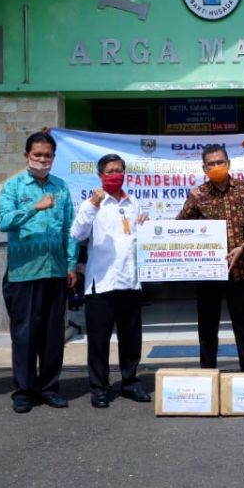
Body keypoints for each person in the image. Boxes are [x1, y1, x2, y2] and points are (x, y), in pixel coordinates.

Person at [0, 131, 79, 414]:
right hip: (24, 273)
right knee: (25, 335)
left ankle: (49, 388)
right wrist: (34, 206)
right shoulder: (13, 186)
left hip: (55, 272)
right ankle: (24, 390)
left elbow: (70, 229)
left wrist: (70, 265)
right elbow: (4, 222)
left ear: (54, 158)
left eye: (48, 156)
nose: (43, 160)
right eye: (37, 155)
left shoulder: (61, 188)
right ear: (26, 156)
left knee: (53, 335)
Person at [70, 153, 151, 409]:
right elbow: (77, 233)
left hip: (129, 281)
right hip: (101, 282)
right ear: (100, 175)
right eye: (110, 171)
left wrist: (146, 226)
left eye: (119, 170)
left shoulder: (133, 203)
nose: (115, 175)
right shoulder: (91, 203)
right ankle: (99, 387)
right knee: (99, 339)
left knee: (131, 338)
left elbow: (138, 238)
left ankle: (130, 382)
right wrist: (93, 205)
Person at [177, 143, 244, 371]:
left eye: (220, 162)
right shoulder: (197, 195)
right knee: (207, 326)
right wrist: (152, 230)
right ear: (204, 167)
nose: (216, 166)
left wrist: (243, 248)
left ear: (228, 163)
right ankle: (208, 375)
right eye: (211, 164)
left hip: (243, 269)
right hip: (208, 272)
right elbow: (179, 227)